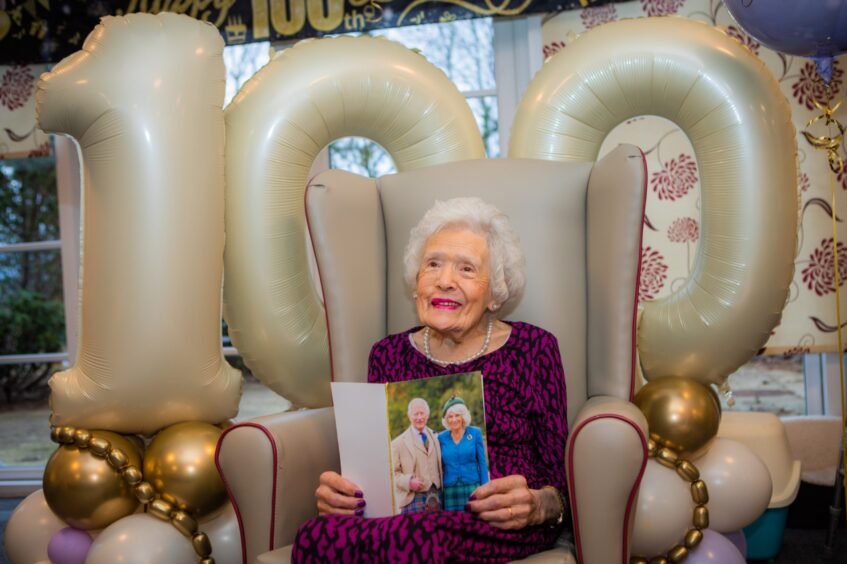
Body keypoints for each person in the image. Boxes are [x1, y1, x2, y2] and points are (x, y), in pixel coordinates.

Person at [294, 197, 568, 563]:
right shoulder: (387, 355)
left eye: (467, 269)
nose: (444, 281)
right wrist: (345, 494)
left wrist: (538, 505)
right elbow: (379, 470)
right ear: (416, 283)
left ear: (495, 293)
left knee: (423, 535)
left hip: (499, 523)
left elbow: (560, 478)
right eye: (433, 265)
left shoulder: (534, 348)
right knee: (315, 533)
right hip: (409, 517)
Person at [392, 398, 443, 513]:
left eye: (422, 413)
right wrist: (408, 482)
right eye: (416, 414)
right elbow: (393, 474)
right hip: (414, 498)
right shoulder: (398, 443)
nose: (419, 417)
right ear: (409, 416)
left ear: (427, 415)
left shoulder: (436, 437)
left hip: (437, 496)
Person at [438, 396, 489, 511]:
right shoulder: (441, 437)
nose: (454, 419)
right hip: (450, 489)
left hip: (473, 486)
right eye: (450, 416)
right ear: (446, 419)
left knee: (475, 521)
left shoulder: (475, 433)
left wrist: (485, 487)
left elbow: (482, 463)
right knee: (453, 523)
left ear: (463, 416)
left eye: (457, 415)